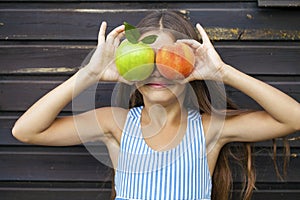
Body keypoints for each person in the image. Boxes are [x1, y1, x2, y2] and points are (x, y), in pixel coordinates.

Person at [12, 11, 300, 200]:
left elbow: (294, 119)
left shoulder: (209, 128)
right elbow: (26, 131)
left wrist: (222, 72)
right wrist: (89, 74)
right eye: (144, 59)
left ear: (191, 65)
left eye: (169, 59)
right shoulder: (116, 123)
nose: (157, 71)